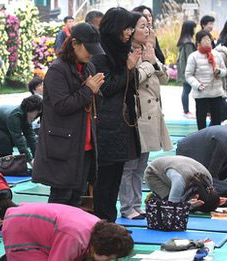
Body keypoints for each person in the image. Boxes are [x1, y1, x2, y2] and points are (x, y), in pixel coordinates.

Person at [32, 23, 105, 207]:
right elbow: (62, 106)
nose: (91, 54)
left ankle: (70, 236)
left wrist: (96, 91)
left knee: (77, 197)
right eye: (88, 49)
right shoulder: (58, 69)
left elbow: (96, 102)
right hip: (63, 144)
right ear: (74, 44)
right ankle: (51, 235)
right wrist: (88, 90)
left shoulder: (87, 67)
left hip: (86, 143)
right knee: (61, 197)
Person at [118, 12, 172, 220]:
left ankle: (136, 204)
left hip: (151, 117)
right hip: (135, 116)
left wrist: (153, 62)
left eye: (148, 26)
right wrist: (148, 64)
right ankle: (126, 207)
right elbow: (132, 80)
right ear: (130, 30)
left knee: (141, 166)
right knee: (129, 166)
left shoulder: (148, 50)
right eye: (142, 26)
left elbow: (165, 77)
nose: (146, 30)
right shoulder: (126, 53)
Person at [91, 8, 140, 223]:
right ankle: (102, 224)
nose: (129, 32)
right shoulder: (101, 54)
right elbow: (107, 87)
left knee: (115, 179)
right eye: (126, 28)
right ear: (114, 28)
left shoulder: (122, 51)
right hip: (106, 126)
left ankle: (109, 223)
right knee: (105, 180)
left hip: (122, 125)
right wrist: (128, 69)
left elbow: (130, 85)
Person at [1, 203, 134, 260]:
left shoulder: (96, 227)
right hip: (19, 227)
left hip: (32, 219)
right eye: (109, 257)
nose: (109, 260)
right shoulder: (74, 237)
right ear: (101, 247)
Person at [145, 156, 222, 213]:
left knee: (180, 199)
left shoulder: (208, 180)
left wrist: (215, 201)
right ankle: (155, 198)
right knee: (169, 203)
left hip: (175, 169)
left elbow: (211, 197)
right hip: (154, 173)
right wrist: (188, 206)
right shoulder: (179, 182)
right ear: (196, 196)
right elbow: (171, 208)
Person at [185, 30, 227, 130]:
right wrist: (197, 85)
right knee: (201, 120)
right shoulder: (193, 56)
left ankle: (215, 137)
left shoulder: (216, 55)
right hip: (201, 93)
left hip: (216, 92)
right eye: (205, 40)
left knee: (217, 120)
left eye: (209, 39)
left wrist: (219, 71)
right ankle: (202, 139)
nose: (208, 42)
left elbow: (225, 70)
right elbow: (188, 75)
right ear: (198, 42)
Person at [0, 95, 41, 166]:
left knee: (10, 141)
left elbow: (31, 137)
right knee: (4, 139)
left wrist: (38, 157)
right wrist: (30, 160)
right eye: (37, 113)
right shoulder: (14, 116)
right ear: (30, 110)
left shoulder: (25, 115)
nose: (37, 117)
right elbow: (18, 139)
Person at [176, 20, 197, 119]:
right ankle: (186, 111)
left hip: (183, 69)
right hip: (187, 70)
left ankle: (186, 110)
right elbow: (190, 57)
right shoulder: (188, 42)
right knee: (186, 90)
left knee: (186, 90)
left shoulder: (183, 40)